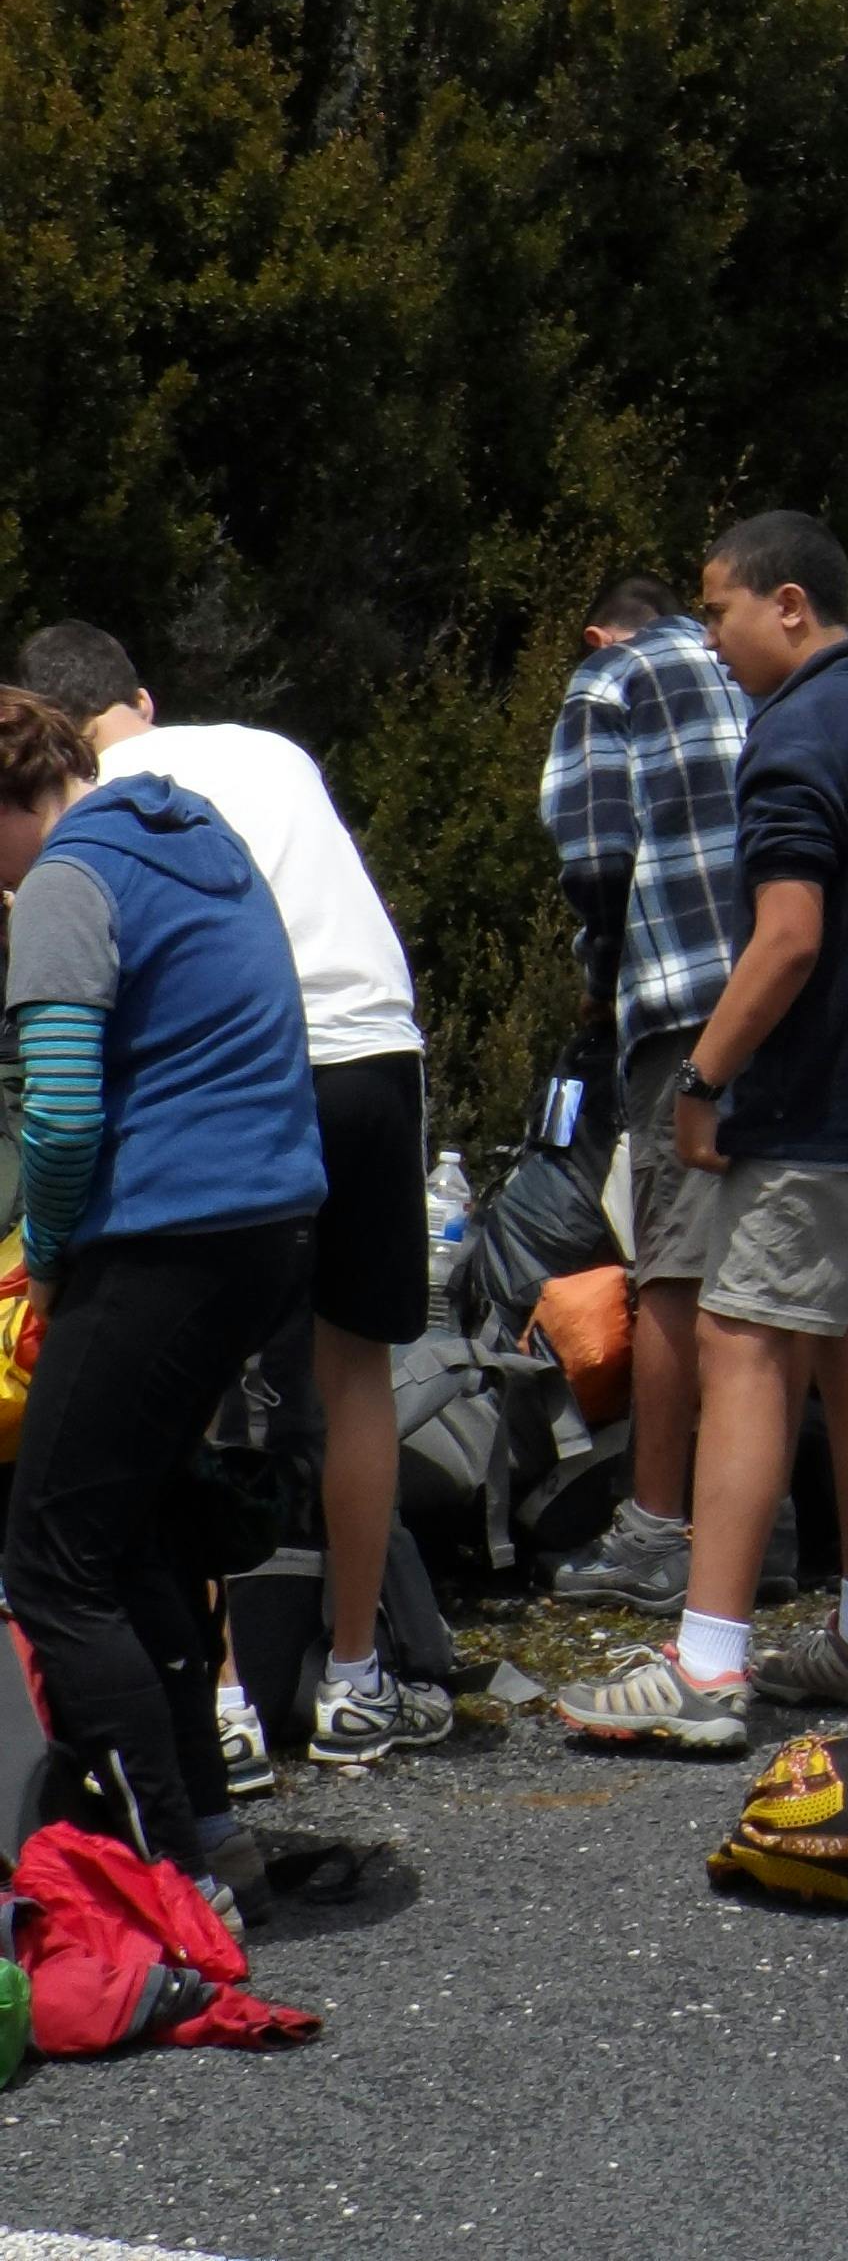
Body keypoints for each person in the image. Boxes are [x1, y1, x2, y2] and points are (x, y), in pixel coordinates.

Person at [554, 512, 848, 1753]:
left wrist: (703, 1073)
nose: (710, 635)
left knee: (744, 1344)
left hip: (820, 1109)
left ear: (789, 604)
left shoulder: (793, 736)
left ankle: (704, 1669)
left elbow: (788, 939)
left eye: (719, 611)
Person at [15, 624, 443, 1777]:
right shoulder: (269, 749)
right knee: (358, 1377)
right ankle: (357, 1674)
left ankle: (229, 1698)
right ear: (140, 698)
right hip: (381, 1049)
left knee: (199, 1397)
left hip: (257, 1075)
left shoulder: (116, 806)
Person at [0, 687, 327, 1922]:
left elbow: (66, 1111)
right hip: (270, 1221)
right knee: (137, 1539)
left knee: (52, 1569)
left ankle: (174, 1881)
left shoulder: (70, 883)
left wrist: (52, 1249)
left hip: (164, 1235)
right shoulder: (191, 831)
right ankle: (212, 1833)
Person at [536, 570, 754, 1616]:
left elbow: (594, 855)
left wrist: (598, 977)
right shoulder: (754, 663)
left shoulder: (608, 680)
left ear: (597, 629)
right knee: (782, 1265)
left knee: (675, 1268)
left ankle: (655, 1532)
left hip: (684, 1006)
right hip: (793, 993)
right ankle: (772, 1517)